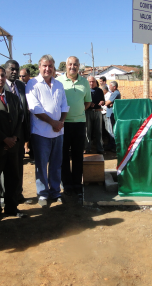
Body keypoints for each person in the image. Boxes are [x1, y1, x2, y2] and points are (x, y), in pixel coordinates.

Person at [25, 54, 69, 207]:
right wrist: (52, 122)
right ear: (39, 67)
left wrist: (61, 122)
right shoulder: (32, 84)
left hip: (58, 132)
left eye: (50, 66)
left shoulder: (58, 84)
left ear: (53, 68)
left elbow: (64, 105)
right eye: (44, 66)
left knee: (56, 164)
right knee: (41, 164)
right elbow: (34, 107)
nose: (47, 68)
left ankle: (55, 192)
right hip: (41, 132)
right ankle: (43, 194)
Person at [0, 66, 26, 224]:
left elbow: (19, 117)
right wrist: (4, 139)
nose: (0, 78)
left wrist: (14, 137)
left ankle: (11, 206)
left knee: (13, 177)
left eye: (3, 75)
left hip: (13, 146)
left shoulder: (13, 97)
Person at [57, 56, 91, 197]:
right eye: (70, 64)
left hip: (79, 124)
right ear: (66, 65)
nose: (73, 67)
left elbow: (87, 102)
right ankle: (67, 184)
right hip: (63, 124)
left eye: (75, 64)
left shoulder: (85, 82)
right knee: (63, 156)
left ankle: (77, 184)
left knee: (78, 155)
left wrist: (78, 112)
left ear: (79, 66)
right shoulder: (58, 82)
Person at [3, 60, 31, 204]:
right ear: (5, 70)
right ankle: (4, 196)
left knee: (18, 164)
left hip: (19, 131)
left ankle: (17, 193)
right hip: (5, 134)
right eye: (12, 69)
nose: (14, 72)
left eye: (17, 70)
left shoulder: (21, 85)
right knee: (5, 166)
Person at [85, 76, 105, 154]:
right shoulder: (85, 91)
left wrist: (102, 102)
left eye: (93, 81)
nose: (91, 83)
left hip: (97, 112)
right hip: (88, 112)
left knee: (99, 131)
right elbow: (82, 102)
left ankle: (100, 149)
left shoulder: (100, 90)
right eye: (90, 81)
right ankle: (87, 148)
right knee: (87, 131)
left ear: (95, 82)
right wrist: (89, 104)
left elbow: (103, 100)